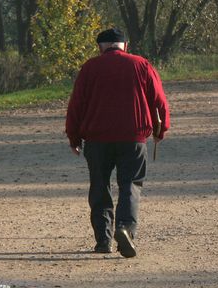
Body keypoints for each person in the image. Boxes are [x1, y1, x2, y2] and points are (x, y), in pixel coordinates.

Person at [65, 27, 170, 258]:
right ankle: (124, 229)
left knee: (100, 186)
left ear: (100, 46)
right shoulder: (141, 65)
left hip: (96, 140)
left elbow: (76, 105)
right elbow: (159, 100)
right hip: (133, 138)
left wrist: (73, 137)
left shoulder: (89, 68)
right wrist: (160, 130)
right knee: (130, 185)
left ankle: (103, 239)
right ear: (125, 45)